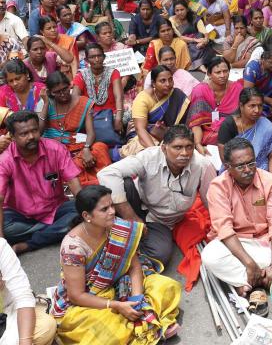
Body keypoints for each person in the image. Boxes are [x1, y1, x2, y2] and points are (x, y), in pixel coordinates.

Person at [52, 185, 181, 344]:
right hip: (91, 297)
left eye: (112, 205)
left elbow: (134, 267)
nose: (112, 211)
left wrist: (137, 299)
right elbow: (77, 296)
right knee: (104, 333)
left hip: (121, 281)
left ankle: (139, 324)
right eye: (104, 209)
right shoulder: (73, 247)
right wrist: (116, 305)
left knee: (167, 286)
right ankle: (148, 324)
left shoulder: (117, 226)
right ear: (87, 215)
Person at [97, 125, 217, 266]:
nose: (184, 153)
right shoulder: (149, 157)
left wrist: (220, 230)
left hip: (160, 220)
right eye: (177, 147)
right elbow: (106, 173)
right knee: (123, 183)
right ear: (164, 148)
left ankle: (128, 244)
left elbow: (213, 202)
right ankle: (122, 230)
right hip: (135, 204)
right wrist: (130, 216)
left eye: (189, 147)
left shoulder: (202, 165)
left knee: (160, 255)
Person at [201, 137, 272, 312]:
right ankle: (262, 278)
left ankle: (248, 282)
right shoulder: (218, 187)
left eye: (251, 163)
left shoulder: (270, 181)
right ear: (228, 167)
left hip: (264, 242)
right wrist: (249, 263)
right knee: (210, 256)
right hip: (236, 244)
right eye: (240, 166)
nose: (247, 170)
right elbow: (224, 230)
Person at [0, 110, 80, 255]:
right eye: (24, 134)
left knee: (81, 209)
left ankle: (28, 244)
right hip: (20, 216)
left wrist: (86, 208)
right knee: (5, 227)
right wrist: (2, 246)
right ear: (12, 136)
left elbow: (74, 182)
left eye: (34, 131)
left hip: (55, 210)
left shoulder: (55, 149)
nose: (31, 137)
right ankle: (57, 231)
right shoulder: (5, 160)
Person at [217, 88, 272, 196]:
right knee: (231, 191)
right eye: (252, 106)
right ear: (241, 106)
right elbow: (225, 159)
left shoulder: (265, 125)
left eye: (260, 106)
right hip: (237, 169)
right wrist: (243, 176)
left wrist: (271, 180)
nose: (257, 110)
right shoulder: (228, 125)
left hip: (263, 167)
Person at [43, 71, 111, 187]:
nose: (63, 94)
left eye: (65, 89)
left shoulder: (83, 102)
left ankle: (82, 178)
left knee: (100, 147)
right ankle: (78, 179)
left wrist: (86, 149)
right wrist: (45, 103)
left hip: (76, 146)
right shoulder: (46, 103)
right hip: (53, 150)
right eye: (57, 92)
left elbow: (91, 133)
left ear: (70, 85)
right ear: (50, 92)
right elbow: (38, 131)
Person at [0, 233, 57, 344]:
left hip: (8, 311)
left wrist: (24, 342)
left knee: (46, 327)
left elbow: (22, 296)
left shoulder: (1, 246)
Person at [187, 56, 244, 151]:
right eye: (218, 72)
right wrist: (198, 144)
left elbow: (242, 118)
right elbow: (196, 123)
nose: (222, 75)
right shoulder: (200, 91)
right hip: (204, 133)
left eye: (225, 71)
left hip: (231, 131)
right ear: (209, 74)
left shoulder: (237, 89)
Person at [72, 44, 123, 134]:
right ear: (87, 60)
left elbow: (118, 97)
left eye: (99, 56)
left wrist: (118, 118)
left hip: (111, 114)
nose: (96, 59)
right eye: (92, 57)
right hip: (89, 116)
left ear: (104, 57)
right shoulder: (81, 75)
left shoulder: (113, 72)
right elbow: (75, 98)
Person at [242, 40, 272, 119]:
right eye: (271, 63)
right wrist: (270, 101)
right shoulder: (252, 69)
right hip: (253, 100)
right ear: (262, 59)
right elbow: (248, 93)